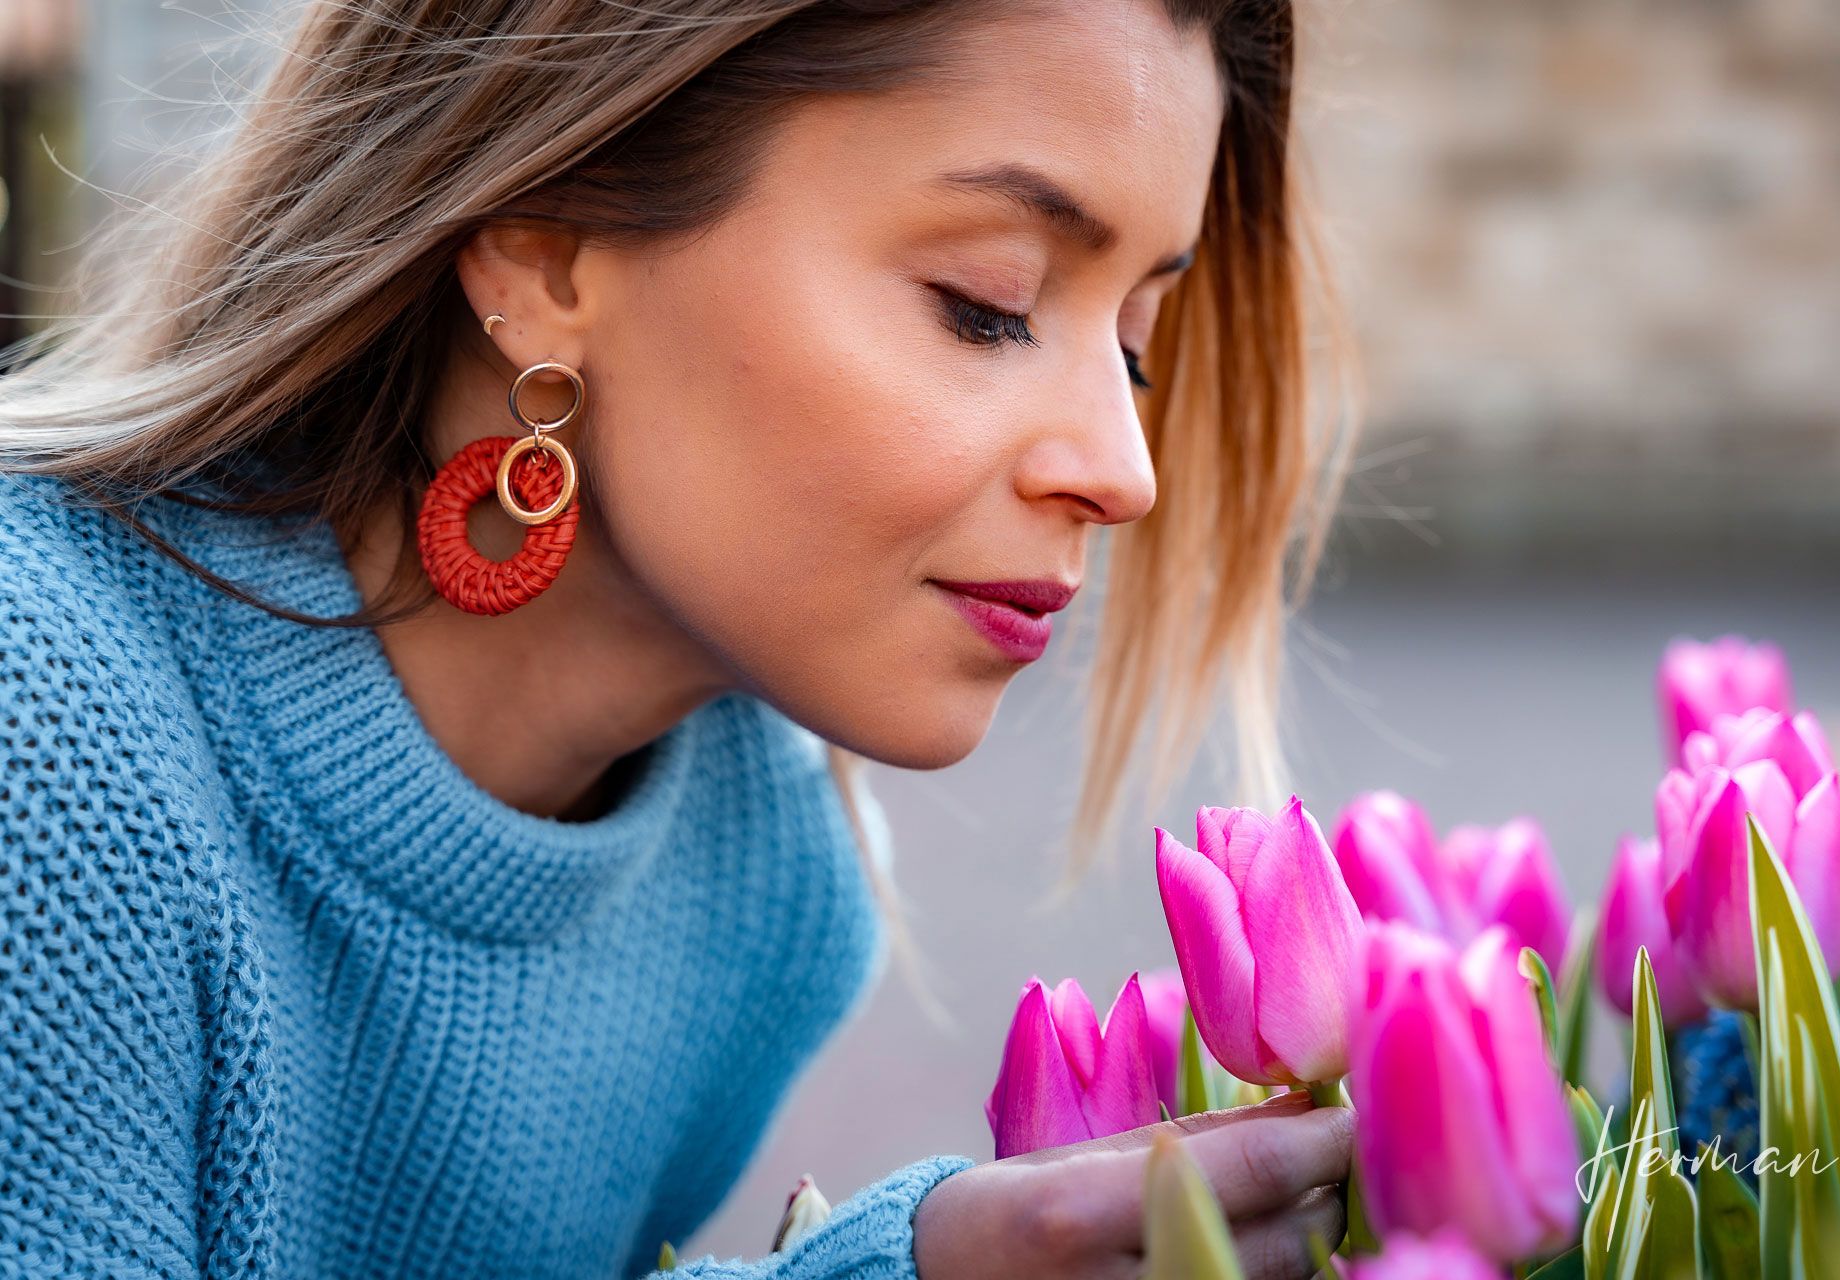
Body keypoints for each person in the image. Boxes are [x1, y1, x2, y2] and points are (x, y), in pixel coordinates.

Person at [0, 1, 1358, 1276]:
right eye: (986, 301)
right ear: (544, 252)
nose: (1125, 472)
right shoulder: (43, 720)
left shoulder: (766, 889)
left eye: (1132, 344)